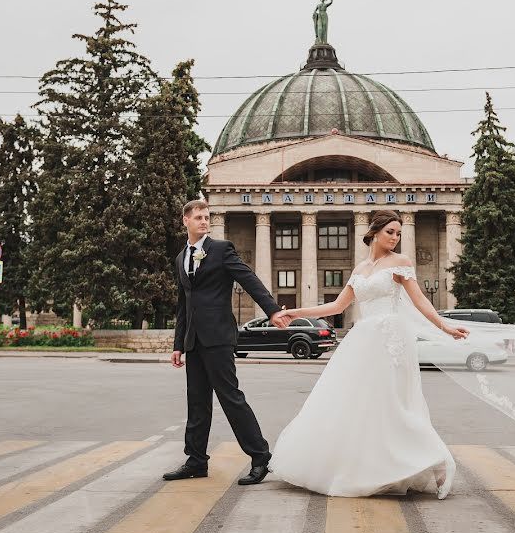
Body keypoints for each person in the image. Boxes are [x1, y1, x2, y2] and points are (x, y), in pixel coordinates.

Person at [269, 210, 468, 499]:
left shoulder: (400, 263)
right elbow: (336, 307)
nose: (395, 237)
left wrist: (444, 325)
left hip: (390, 339)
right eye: (390, 231)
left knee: (395, 403)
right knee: (358, 404)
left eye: (398, 233)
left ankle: (434, 461)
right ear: (374, 232)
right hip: (362, 340)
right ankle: (367, 467)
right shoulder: (360, 269)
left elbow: (420, 299)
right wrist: (295, 312)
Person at [164, 200, 290, 486]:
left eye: (207, 217)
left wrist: (272, 310)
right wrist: (178, 344)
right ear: (185, 221)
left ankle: (261, 457)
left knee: (231, 399)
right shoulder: (181, 256)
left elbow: (249, 279)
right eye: (198, 217)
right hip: (194, 340)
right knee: (196, 403)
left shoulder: (221, 250)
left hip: (219, 338)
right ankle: (196, 460)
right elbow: (183, 304)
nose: (204, 222)